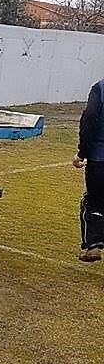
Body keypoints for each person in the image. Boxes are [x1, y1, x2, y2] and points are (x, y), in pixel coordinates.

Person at [74, 79, 104, 262]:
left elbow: (90, 119)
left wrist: (82, 152)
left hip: (100, 158)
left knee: (93, 201)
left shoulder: (100, 88)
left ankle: (93, 246)